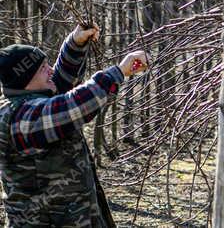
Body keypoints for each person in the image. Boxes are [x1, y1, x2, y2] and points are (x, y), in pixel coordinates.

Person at [0, 24, 149, 227]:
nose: (50, 70)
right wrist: (118, 72)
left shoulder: (33, 100)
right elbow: (72, 107)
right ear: (26, 80)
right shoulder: (21, 119)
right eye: (43, 68)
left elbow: (61, 81)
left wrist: (75, 44)